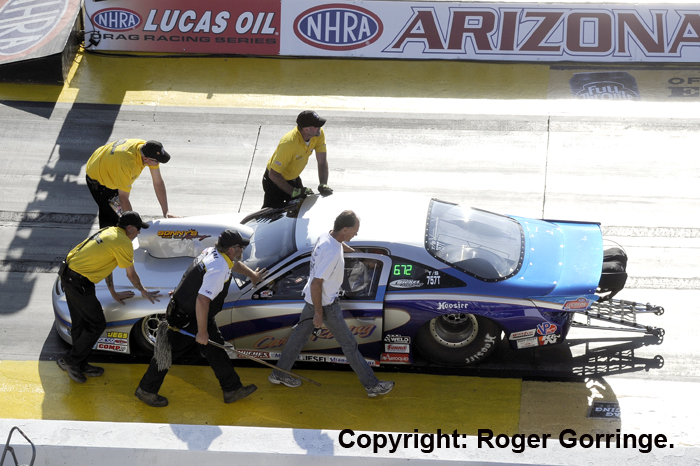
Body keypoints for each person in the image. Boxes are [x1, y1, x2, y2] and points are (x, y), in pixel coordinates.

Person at [269, 210, 394, 398]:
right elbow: (317, 283)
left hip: (311, 300)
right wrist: (319, 314)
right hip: (325, 304)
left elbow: (337, 246)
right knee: (349, 344)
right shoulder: (332, 252)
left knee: (298, 338)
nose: (356, 233)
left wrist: (355, 253)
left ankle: (278, 374)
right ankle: (372, 386)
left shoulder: (327, 236)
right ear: (344, 229)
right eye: (355, 230)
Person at [135, 229, 267, 407]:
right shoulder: (219, 268)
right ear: (231, 249)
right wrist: (202, 332)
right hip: (188, 317)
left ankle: (232, 389)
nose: (242, 249)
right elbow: (203, 300)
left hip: (194, 313)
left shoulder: (213, 253)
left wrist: (253, 275)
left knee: (215, 349)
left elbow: (232, 265)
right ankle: (146, 390)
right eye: (240, 247)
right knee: (168, 352)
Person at [57, 211, 161, 383]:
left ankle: (80, 363)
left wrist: (113, 292)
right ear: (129, 228)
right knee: (97, 324)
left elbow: (106, 265)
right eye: (138, 229)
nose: (139, 232)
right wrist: (144, 291)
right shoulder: (123, 242)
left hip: (71, 275)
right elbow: (131, 275)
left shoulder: (110, 231)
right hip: (78, 281)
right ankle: (71, 361)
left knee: (81, 323)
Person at [85, 139, 178, 228]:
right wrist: (135, 227)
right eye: (157, 161)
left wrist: (166, 211)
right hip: (98, 179)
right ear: (145, 159)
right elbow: (123, 198)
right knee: (117, 223)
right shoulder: (128, 164)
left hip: (111, 164)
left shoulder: (146, 148)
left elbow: (158, 182)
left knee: (121, 221)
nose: (158, 163)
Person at [262, 110, 333, 208]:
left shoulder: (318, 134)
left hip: (293, 178)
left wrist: (323, 183)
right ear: (306, 130)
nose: (319, 128)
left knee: (301, 207)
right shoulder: (289, 143)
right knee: (271, 214)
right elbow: (273, 174)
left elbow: (322, 161)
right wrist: (293, 191)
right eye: (316, 125)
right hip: (275, 181)